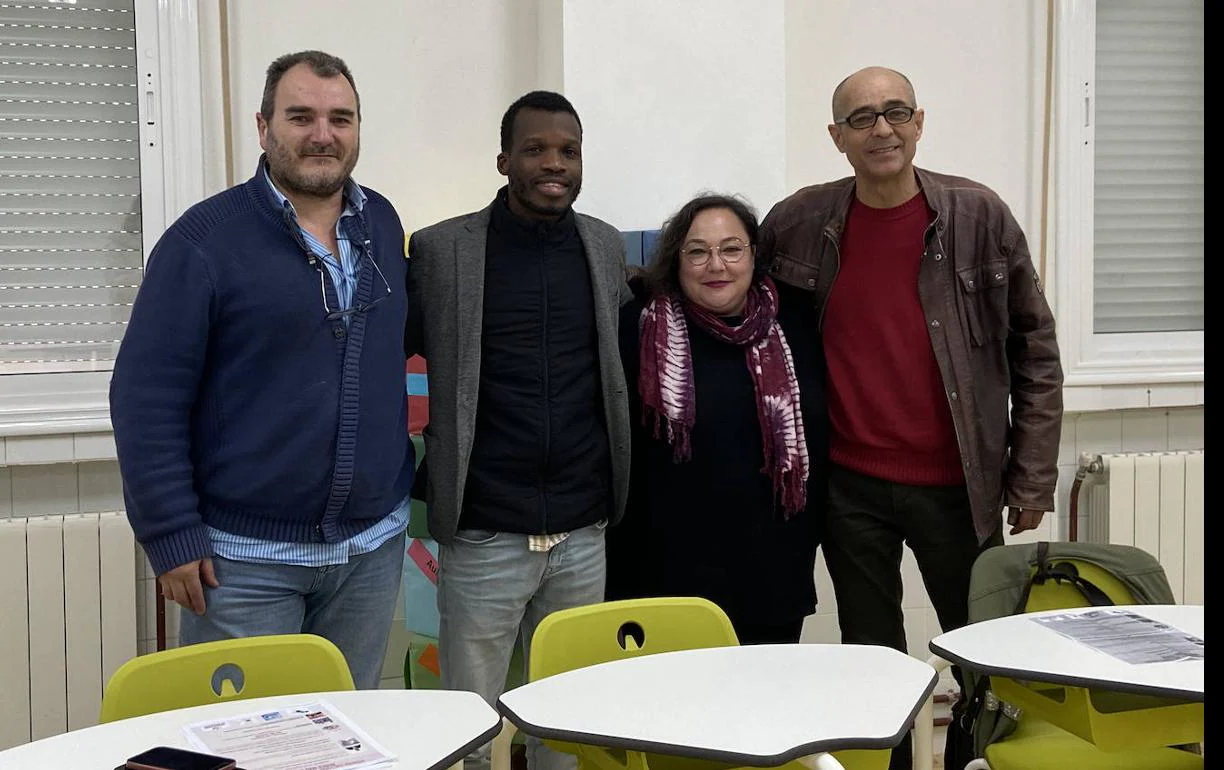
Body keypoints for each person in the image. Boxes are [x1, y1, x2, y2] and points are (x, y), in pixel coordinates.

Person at [758, 66, 1064, 768]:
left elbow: (1036, 351)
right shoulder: (801, 220)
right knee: (872, 663)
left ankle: (974, 760)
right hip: (849, 486)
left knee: (982, 655)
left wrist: (1032, 476)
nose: (882, 129)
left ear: (920, 122)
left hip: (961, 484)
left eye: (896, 112)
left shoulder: (978, 215)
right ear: (836, 137)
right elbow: (733, 289)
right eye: (861, 118)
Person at [110, 50, 414, 689]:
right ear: (263, 126)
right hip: (243, 565)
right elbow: (146, 395)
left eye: (341, 118)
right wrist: (170, 533)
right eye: (300, 116)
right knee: (250, 747)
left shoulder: (382, 224)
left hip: (370, 551)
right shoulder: (203, 242)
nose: (323, 134)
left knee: (350, 739)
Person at [406, 90, 631, 770]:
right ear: (504, 160)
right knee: (471, 731)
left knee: (566, 728)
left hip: (583, 531)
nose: (553, 163)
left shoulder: (604, 244)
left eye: (568, 150)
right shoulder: (443, 251)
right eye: (535, 149)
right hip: (484, 533)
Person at [605, 194, 826, 645]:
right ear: (676, 260)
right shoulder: (638, 329)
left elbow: (817, 442)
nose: (716, 265)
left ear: (753, 255)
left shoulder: (795, 326)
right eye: (698, 251)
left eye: (731, 248)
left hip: (770, 574)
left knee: (761, 706)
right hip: (661, 577)